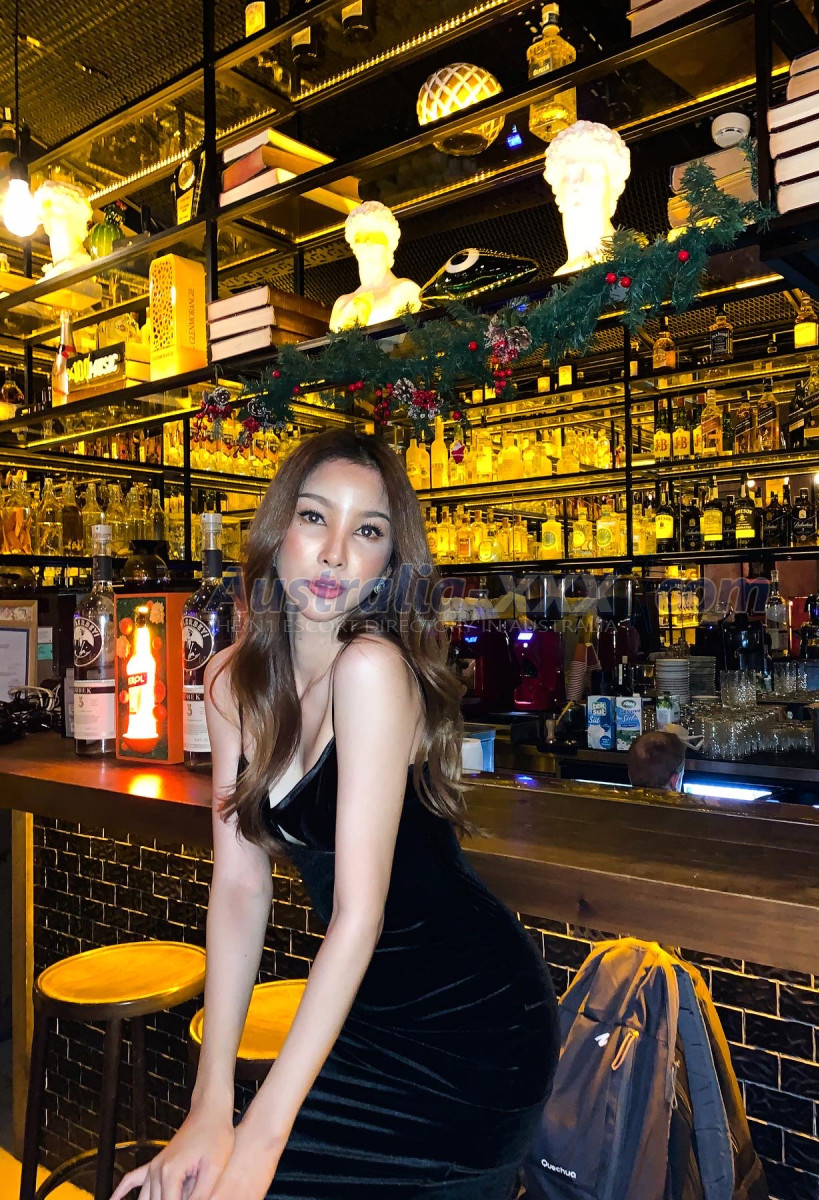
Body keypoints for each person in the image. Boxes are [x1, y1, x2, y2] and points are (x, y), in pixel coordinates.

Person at [110, 429, 560, 1200]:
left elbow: (359, 916)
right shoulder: (228, 684)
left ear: (389, 563)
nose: (335, 553)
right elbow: (240, 888)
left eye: (368, 531)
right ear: (278, 528)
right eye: (315, 517)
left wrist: (259, 1139)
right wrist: (210, 1109)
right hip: (364, 1017)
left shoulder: (372, 670)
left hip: (471, 1033)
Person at [543, 119, 632, 276]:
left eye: (595, 172)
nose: (581, 181)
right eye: (571, 173)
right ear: (557, 187)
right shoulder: (557, 282)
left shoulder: (632, 265)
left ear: (614, 187)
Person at [329, 200, 422, 332]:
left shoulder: (405, 290)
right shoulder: (342, 304)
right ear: (354, 246)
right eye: (361, 238)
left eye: (374, 237)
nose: (367, 244)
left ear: (389, 244)